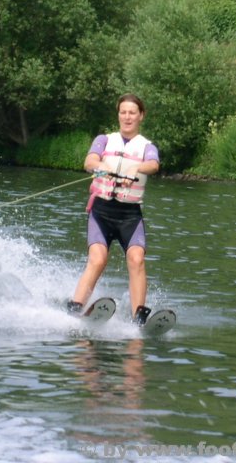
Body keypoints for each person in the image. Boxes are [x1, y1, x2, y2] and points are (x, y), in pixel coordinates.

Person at [69, 94, 160, 325]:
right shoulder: (104, 140)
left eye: (132, 112)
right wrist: (102, 166)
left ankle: (139, 317)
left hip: (130, 216)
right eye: (123, 112)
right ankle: (75, 308)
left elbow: (153, 165)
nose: (127, 117)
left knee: (136, 258)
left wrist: (136, 169)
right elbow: (89, 161)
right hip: (101, 213)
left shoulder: (147, 146)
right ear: (118, 114)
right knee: (98, 259)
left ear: (141, 116)